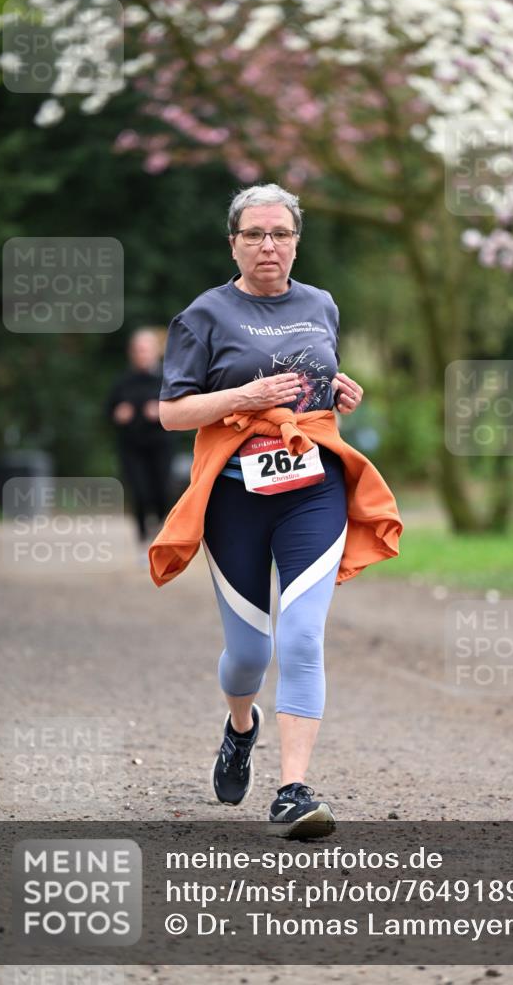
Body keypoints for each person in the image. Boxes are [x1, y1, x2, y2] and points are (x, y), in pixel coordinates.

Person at [152, 184, 402, 838]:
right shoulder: (203, 315)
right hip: (235, 497)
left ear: (296, 241)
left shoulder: (320, 304)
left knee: (299, 637)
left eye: (280, 234)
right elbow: (172, 412)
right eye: (255, 234)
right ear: (233, 241)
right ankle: (241, 728)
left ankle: (292, 790)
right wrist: (246, 393)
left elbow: (316, 384)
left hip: (312, 491)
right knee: (248, 654)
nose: (268, 245)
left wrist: (338, 394)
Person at [107, 328, 173, 562]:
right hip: (131, 447)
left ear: (156, 352)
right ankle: (143, 540)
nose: (141, 354)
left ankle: (160, 534)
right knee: (140, 493)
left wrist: (163, 412)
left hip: (160, 446)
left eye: (145, 349)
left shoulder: (168, 379)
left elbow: (183, 412)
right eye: (137, 350)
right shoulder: (122, 382)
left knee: (161, 492)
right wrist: (117, 415)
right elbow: (109, 412)